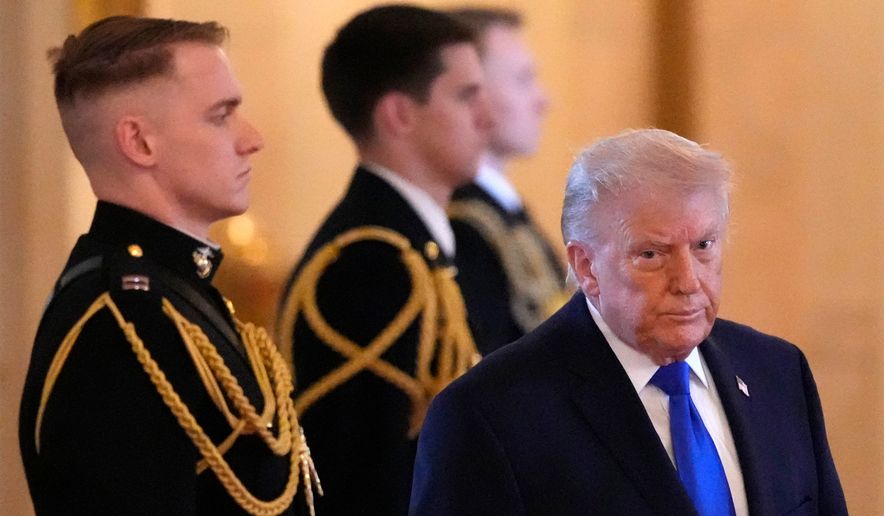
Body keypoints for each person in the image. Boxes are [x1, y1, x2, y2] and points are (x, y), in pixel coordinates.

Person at [411, 129, 847, 515]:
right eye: (652, 255)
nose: (688, 282)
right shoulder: (489, 416)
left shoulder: (778, 373)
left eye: (703, 245)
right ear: (586, 266)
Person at [19, 16, 319, 515]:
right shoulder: (121, 325)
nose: (252, 139)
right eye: (220, 115)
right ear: (139, 142)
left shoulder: (181, 296)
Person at [275, 5, 491, 514]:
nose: (489, 117)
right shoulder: (372, 262)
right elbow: (370, 478)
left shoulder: (417, 245)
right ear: (399, 114)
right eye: (465, 97)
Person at [446, 7, 568, 355]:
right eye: (523, 79)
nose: (543, 100)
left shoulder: (502, 211)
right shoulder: (467, 225)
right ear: (473, 94)